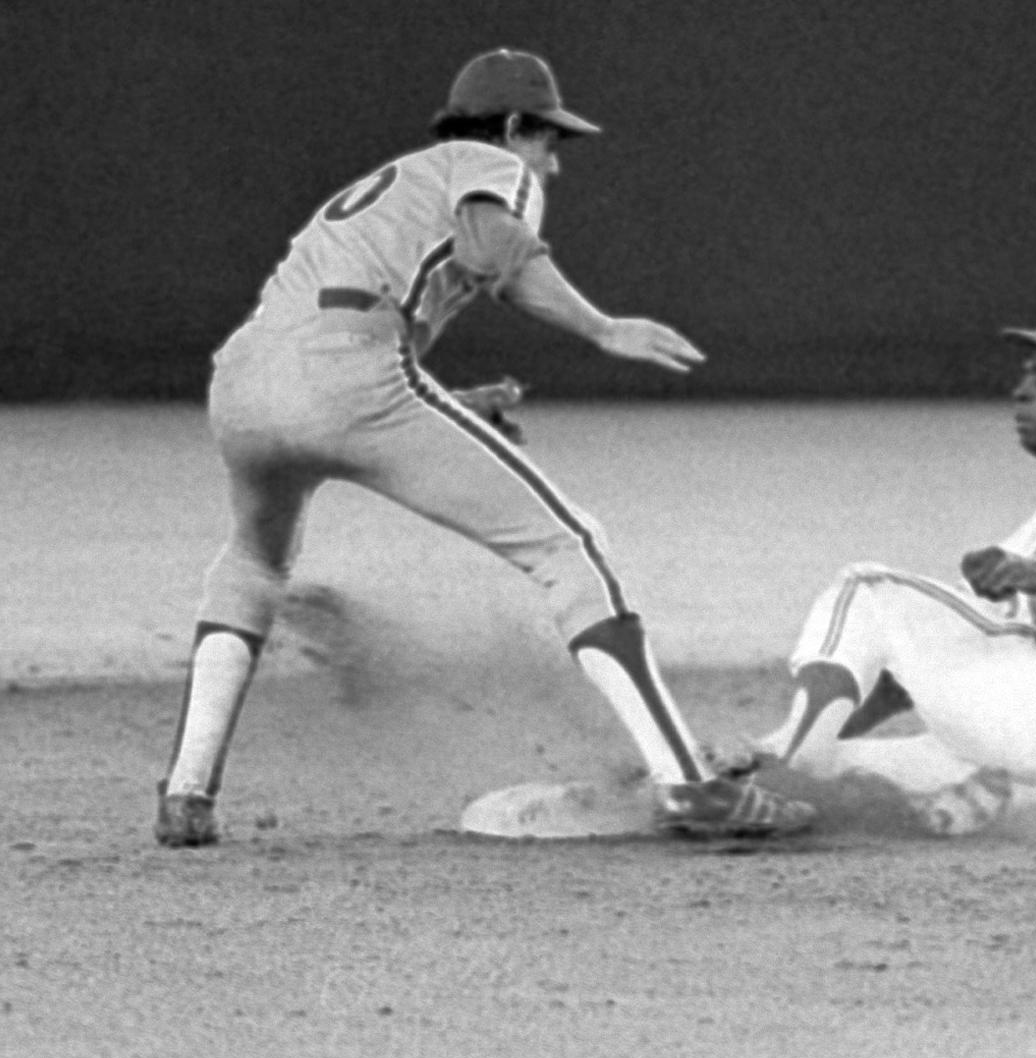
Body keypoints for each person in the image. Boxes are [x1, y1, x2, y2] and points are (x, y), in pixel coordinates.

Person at [155, 48, 816, 846]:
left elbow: (319, 351)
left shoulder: (391, 184)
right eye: (547, 141)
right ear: (510, 126)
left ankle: (188, 794)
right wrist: (603, 329)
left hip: (243, 384)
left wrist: (446, 408)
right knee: (570, 545)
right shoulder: (484, 164)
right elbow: (491, 249)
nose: (551, 166)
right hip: (352, 378)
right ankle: (690, 788)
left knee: (254, 563)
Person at [752, 300, 1036, 835]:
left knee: (867, 589)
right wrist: (759, 753)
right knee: (831, 769)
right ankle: (940, 802)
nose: (1022, 391)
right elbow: (898, 681)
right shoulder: (1033, 533)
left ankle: (784, 778)